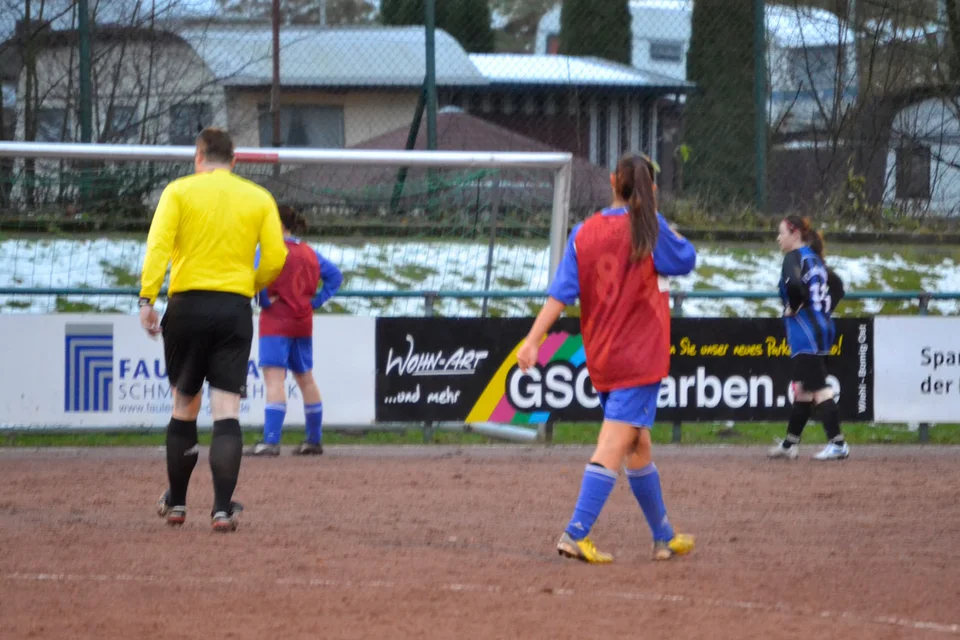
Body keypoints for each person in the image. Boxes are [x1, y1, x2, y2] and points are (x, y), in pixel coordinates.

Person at [517, 153, 697, 564]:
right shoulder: (651, 231)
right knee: (615, 443)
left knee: (637, 443)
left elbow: (560, 296)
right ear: (649, 189)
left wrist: (532, 341)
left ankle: (663, 536)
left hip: (602, 357)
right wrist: (657, 217)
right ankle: (575, 533)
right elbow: (685, 260)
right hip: (640, 358)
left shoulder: (584, 232)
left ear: (612, 181)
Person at [139, 127, 288, 532]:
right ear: (235, 160)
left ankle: (178, 504)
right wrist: (250, 283)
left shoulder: (179, 192)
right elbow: (276, 258)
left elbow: (158, 246)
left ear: (198, 157)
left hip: (186, 306)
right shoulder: (259, 198)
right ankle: (222, 508)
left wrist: (147, 298)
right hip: (233, 308)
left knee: (184, 406)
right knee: (227, 411)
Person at [245, 205, 344, 457]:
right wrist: (315, 301)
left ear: (278, 225)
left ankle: (271, 441)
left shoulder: (268, 250)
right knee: (306, 378)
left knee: (275, 380)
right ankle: (313, 439)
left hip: (276, 322)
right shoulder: (309, 251)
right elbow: (335, 276)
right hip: (302, 321)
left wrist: (265, 302)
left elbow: (256, 281)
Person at [768, 215, 850, 462]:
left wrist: (794, 306)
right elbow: (838, 287)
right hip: (823, 328)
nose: (778, 238)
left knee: (818, 388)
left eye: (782, 232)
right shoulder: (815, 258)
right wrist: (822, 312)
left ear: (795, 234)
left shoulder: (793, 257)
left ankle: (838, 443)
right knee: (803, 388)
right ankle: (789, 444)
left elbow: (793, 286)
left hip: (806, 333)